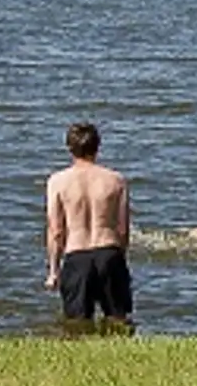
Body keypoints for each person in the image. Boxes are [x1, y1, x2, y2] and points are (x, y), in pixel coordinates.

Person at [44, 120, 134, 328]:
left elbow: (56, 230)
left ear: (70, 148)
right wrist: (121, 260)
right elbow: (123, 229)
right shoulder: (116, 180)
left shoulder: (57, 181)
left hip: (77, 256)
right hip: (109, 252)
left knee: (77, 324)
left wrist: (53, 271)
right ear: (97, 147)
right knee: (118, 320)